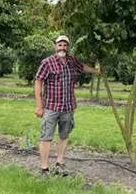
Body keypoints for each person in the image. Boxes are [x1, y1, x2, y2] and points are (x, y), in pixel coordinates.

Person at [34, 35, 102, 178]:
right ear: (55, 46)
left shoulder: (72, 61)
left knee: (64, 136)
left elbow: (83, 68)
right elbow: (38, 82)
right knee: (46, 137)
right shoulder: (47, 62)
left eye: (65, 45)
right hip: (51, 107)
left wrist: (97, 71)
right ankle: (44, 169)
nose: (62, 48)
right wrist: (39, 106)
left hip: (68, 107)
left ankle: (60, 163)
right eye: (60, 45)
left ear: (67, 47)